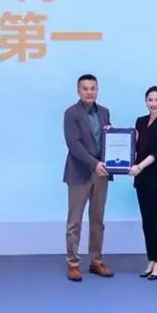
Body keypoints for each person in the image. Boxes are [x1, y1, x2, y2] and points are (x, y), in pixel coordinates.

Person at [62, 74, 114, 282]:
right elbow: (73, 144)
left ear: (97, 90)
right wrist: (94, 164)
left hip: (101, 173)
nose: (89, 92)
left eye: (93, 88)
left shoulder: (104, 112)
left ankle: (96, 261)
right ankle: (73, 264)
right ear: (78, 91)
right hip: (80, 172)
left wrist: (112, 133)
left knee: (97, 220)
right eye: (85, 88)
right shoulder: (71, 113)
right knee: (74, 221)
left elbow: (107, 141)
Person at [128, 85, 157, 280]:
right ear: (145, 101)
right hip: (142, 181)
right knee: (147, 222)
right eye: (150, 99)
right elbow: (133, 145)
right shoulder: (140, 121)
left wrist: (139, 166)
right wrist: (112, 132)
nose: (153, 103)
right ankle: (151, 259)